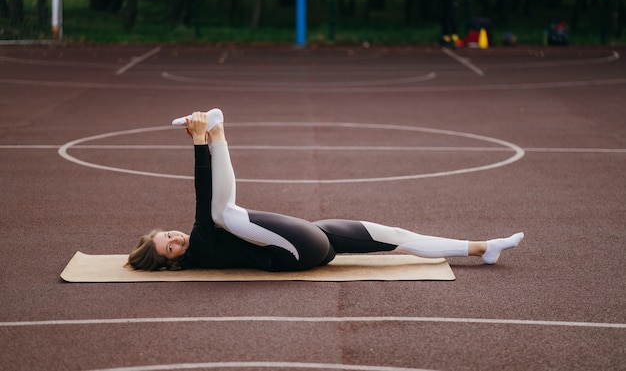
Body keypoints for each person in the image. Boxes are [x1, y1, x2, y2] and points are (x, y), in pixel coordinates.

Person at [128, 109, 524, 272]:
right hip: (296, 252)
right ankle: (218, 133)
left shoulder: (199, 238)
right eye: (171, 248)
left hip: (313, 237)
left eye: (169, 235)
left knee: (399, 239)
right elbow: (204, 197)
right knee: (221, 212)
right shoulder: (201, 250)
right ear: (172, 263)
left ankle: (482, 247)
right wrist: (199, 142)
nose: (177, 239)